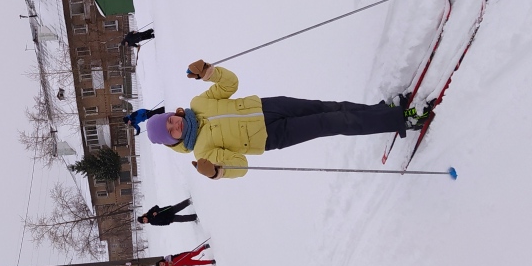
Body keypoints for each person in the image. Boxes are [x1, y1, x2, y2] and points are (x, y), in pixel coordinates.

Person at [145, 61, 418, 180]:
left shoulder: (198, 104)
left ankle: (380, 111)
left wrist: (209, 73)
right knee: (333, 122)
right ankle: (398, 120)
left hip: (267, 106)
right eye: (170, 132)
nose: (174, 126)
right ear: (173, 142)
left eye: (169, 121)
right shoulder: (202, 152)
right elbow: (241, 165)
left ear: (173, 115)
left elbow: (230, 84)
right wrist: (217, 171)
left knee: (329, 106)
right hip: (272, 135)